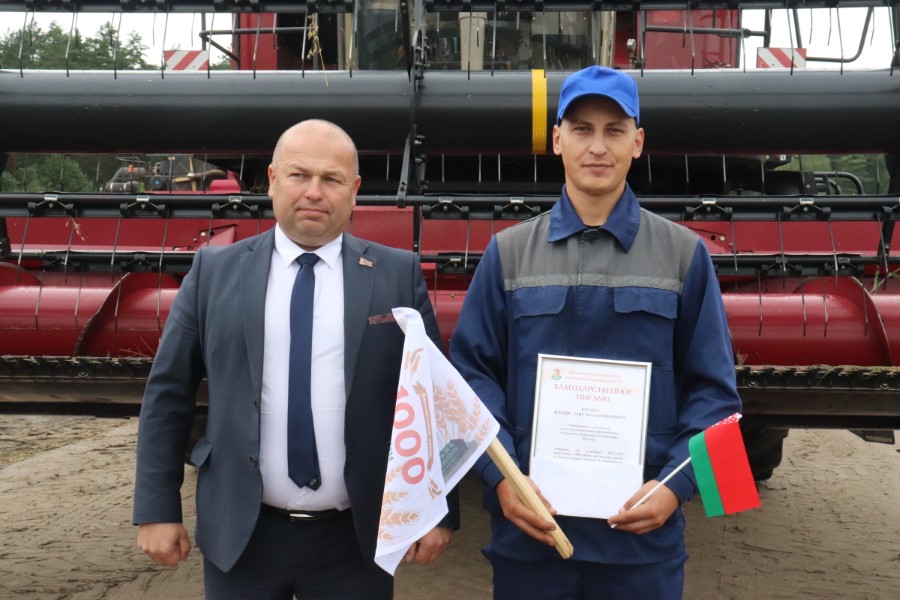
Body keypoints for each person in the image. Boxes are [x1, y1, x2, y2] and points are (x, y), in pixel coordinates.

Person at [449, 66, 742, 599]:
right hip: (531, 541)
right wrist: (502, 479)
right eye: (582, 129)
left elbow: (718, 396)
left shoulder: (684, 255)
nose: (598, 147)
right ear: (557, 140)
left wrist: (676, 488)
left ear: (638, 142)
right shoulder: (508, 253)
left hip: (641, 550)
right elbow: (470, 378)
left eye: (615, 130)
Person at [133, 119, 456, 600]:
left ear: (355, 190)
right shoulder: (214, 272)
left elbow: (433, 401)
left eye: (332, 179)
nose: (314, 192)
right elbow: (168, 394)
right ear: (271, 179)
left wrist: (438, 510)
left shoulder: (396, 274)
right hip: (242, 537)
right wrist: (157, 507)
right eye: (299, 175)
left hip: (356, 541)